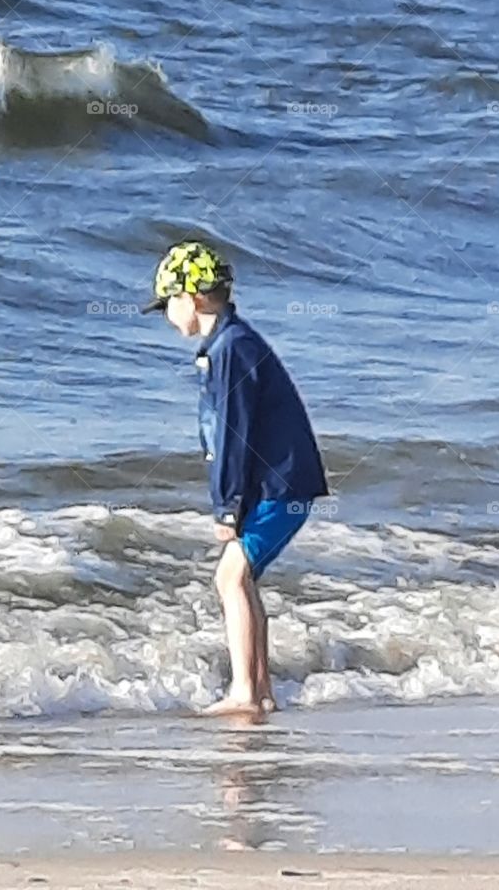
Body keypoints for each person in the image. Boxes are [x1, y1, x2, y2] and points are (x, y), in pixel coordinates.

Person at [142, 240, 329, 715]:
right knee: (239, 579)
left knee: (231, 576)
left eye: (169, 303)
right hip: (275, 486)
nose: (167, 315)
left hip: (279, 486)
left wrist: (228, 507)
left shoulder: (232, 348)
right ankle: (260, 690)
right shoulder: (228, 344)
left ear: (194, 298)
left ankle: (246, 691)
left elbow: (233, 433)